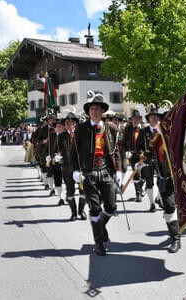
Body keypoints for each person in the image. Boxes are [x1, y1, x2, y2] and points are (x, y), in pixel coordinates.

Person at [71, 96, 121, 256]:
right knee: (94, 209)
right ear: (88, 112)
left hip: (106, 171)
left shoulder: (110, 128)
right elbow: (73, 152)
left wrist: (119, 170)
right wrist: (75, 170)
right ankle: (98, 243)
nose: (94, 111)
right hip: (89, 172)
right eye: (92, 109)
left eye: (97, 109)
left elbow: (116, 151)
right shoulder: (81, 128)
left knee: (111, 207)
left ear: (102, 111)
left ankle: (100, 226)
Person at [138, 113, 181, 253]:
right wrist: (139, 163)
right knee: (169, 207)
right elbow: (148, 152)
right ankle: (175, 238)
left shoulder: (180, 134)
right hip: (165, 177)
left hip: (181, 177)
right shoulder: (157, 136)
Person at [59, 113, 87, 220]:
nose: (67, 125)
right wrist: (56, 157)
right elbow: (56, 150)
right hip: (67, 167)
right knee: (70, 191)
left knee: (83, 190)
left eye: (69, 123)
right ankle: (74, 213)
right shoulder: (61, 136)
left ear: (74, 124)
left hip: (80, 167)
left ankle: (81, 211)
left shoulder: (81, 135)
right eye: (66, 123)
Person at [138, 106, 161, 212]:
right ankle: (152, 203)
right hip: (148, 160)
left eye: (156, 117)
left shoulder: (162, 131)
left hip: (161, 160)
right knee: (149, 182)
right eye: (152, 117)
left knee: (163, 182)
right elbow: (138, 146)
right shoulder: (143, 131)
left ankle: (158, 198)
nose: (154, 119)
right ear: (149, 119)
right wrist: (141, 153)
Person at [122, 110, 144, 202]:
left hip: (143, 155)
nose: (135, 120)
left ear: (139, 119)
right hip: (133, 155)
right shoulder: (128, 129)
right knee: (135, 174)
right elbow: (123, 143)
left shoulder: (144, 129)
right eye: (133, 119)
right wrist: (126, 151)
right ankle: (138, 194)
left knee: (144, 174)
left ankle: (141, 187)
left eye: (137, 119)